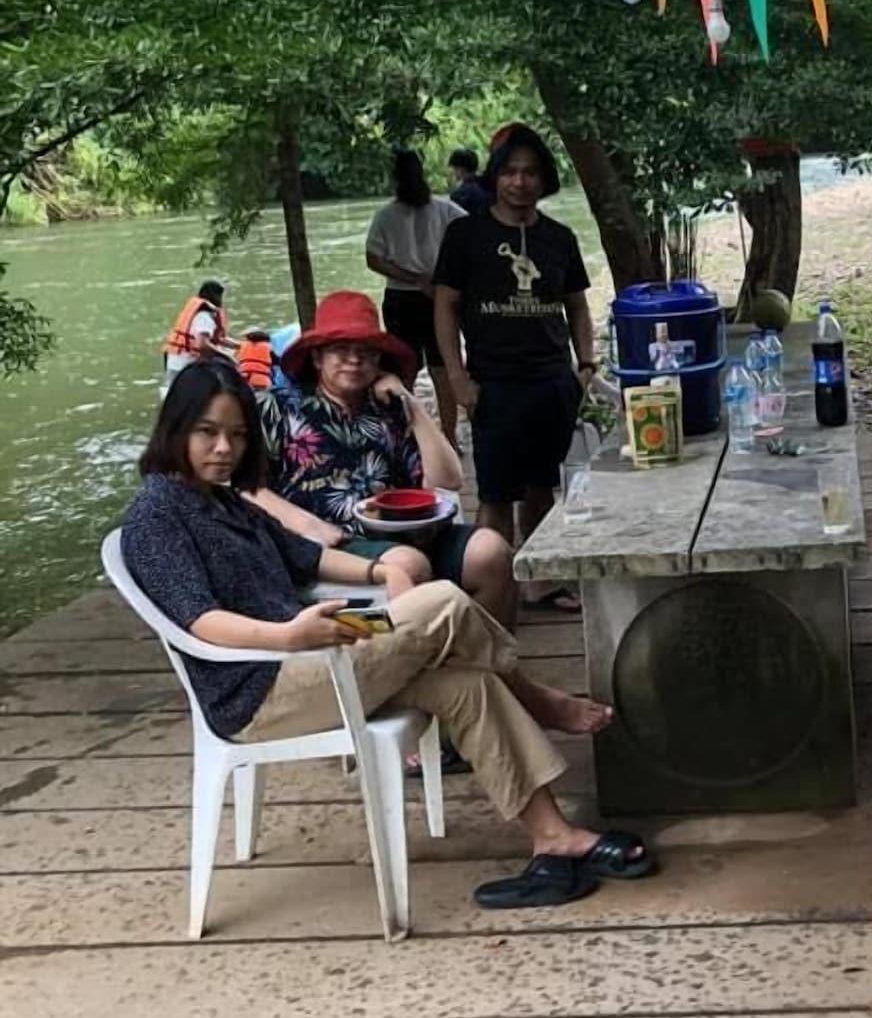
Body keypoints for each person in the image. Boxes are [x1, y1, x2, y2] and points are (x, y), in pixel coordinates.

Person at [119, 360, 653, 908]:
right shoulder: (156, 516)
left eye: (236, 435)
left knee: (468, 683)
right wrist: (288, 637)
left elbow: (308, 557)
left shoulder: (224, 500)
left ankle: (554, 836)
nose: (224, 448)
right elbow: (201, 621)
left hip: (320, 645)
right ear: (176, 428)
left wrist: (381, 570)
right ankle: (537, 697)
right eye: (207, 432)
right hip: (262, 686)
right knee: (443, 600)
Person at [253, 290, 517, 630]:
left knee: (492, 552)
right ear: (317, 357)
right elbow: (240, 485)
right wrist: (305, 524)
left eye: (366, 351)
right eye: (341, 350)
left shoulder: (388, 408)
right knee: (410, 564)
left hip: (408, 531)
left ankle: (481, 658)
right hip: (330, 543)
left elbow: (449, 480)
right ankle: (427, 657)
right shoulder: (275, 407)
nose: (354, 360)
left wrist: (412, 405)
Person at [434, 124, 598, 613]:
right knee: (495, 494)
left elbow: (577, 306)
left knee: (542, 486)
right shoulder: (465, 235)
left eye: (530, 173)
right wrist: (457, 377)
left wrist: (585, 364)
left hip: (552, 380)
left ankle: (540, 581)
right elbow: (445, 307)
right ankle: (493, 591)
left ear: (543, 180)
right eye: (510, 172)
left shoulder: (559, 238)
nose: (520, 182)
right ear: (495, 177)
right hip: (494, 383)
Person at [364, 150, 465, 443]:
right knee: (442, 371)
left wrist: (412, 278)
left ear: (395, 179)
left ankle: (406, 439)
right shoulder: (446, 210)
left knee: (404, 372)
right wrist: (442, 277)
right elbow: (473, 236)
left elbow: (373, 259)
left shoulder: (386, 215)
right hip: (437, 298)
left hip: (401, 299)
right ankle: (449, 439)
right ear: (423, 174)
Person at [162, 280, 239, 381]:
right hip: (186, 367)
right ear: (214, 295)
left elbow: (218, 339)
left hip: (174, 362)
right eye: (221, 296)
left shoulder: (199, 311)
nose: (222, 300)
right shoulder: (204, 316)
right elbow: (203, 345)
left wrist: (242, 346)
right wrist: (228, 357)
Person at [447, 146, 491, 215]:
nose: (454, 172)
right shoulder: (487, 187)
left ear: (461, 169)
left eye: (455, 168)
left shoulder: (460, 194)